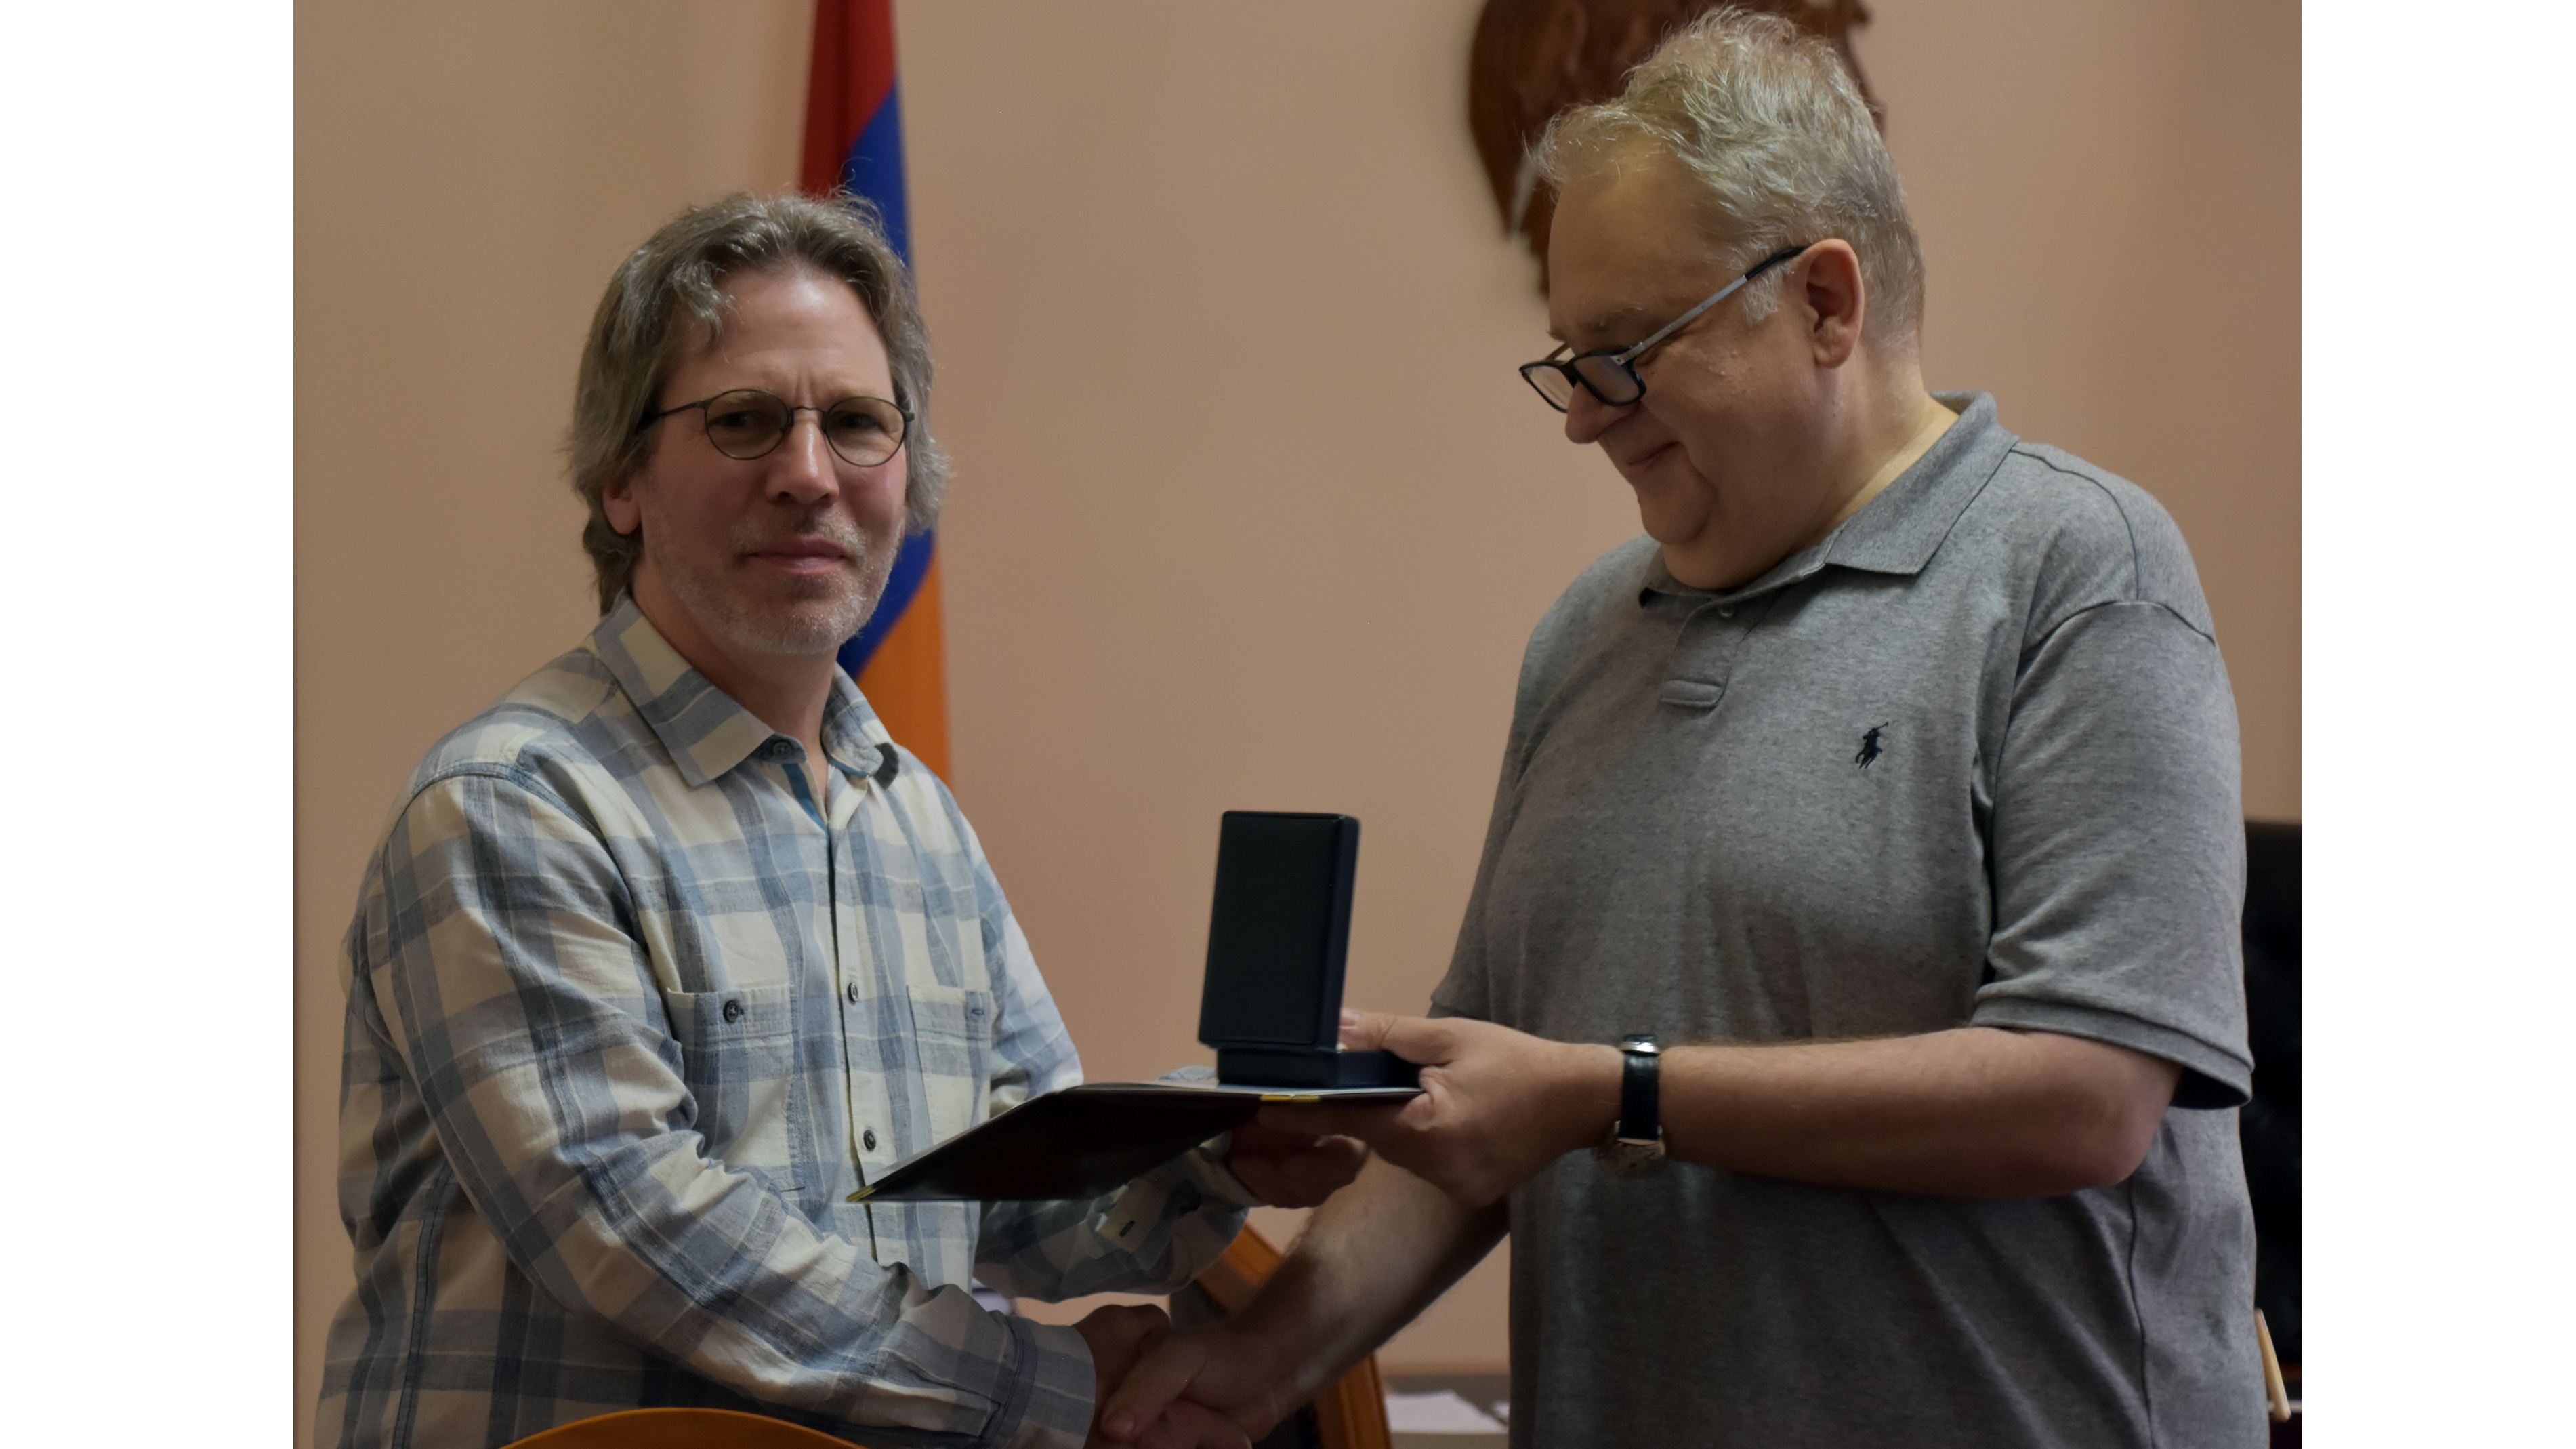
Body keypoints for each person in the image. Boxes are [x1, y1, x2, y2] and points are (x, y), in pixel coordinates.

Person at [1104, 12, 2263, 1448]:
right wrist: (1260, 1360)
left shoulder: (2075, 567)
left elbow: (2084, 1098)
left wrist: (1614, 1094)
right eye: (1570, 359)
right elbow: (1488, 1122)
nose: (1583, 418)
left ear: (1823, 304)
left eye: (1627, 351)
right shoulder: (1582, 634)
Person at [314, 192, 1355, 1449]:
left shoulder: (915, 820)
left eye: (856, 423)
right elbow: (639, 1233)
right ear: (621, 479)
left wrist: (1223, 1150)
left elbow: (1015, 1197)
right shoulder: (512, 804)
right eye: (744, 420)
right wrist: (1052, 1388)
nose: (809, 475)